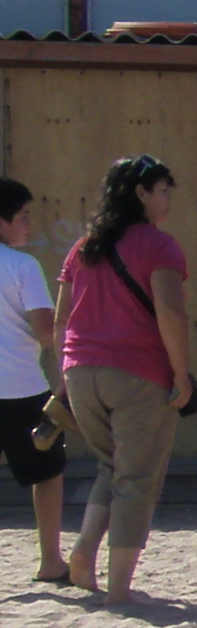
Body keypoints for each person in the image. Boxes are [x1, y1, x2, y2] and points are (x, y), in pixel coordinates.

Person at [56, 155, 191, 605]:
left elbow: (61, 321)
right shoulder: (159, 246)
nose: (169, 198)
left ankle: (84, 551)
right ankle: (119, 589)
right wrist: (181, 375)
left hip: (80, 372)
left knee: (112, 465)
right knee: (137, 479)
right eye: (163, 190)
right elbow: (170, 313)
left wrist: (64, 377)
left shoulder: (83, 247)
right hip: (137, 373)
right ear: (141, 193)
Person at [0, 179, 68, 584]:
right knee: (46, 473)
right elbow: (46, 331)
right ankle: (50, 560)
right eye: (23, 216)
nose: (30, 224)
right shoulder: (22, 266)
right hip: (21, 386)